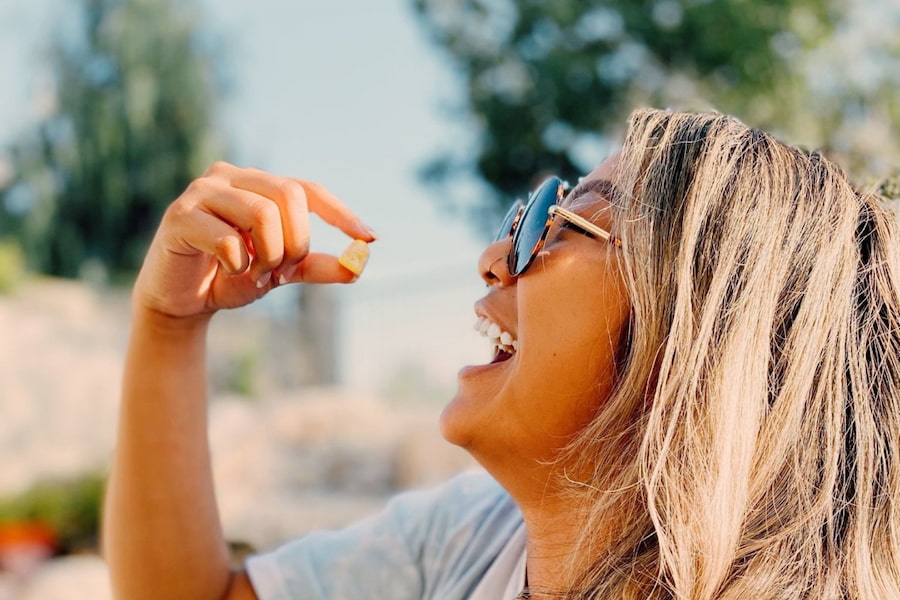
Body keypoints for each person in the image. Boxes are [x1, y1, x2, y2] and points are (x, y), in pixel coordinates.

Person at [103, 108, 900, 600]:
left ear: (697, 337)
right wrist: (170, 323)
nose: (494, 255)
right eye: (527, 213)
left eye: (560, 220)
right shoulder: (474, 537)